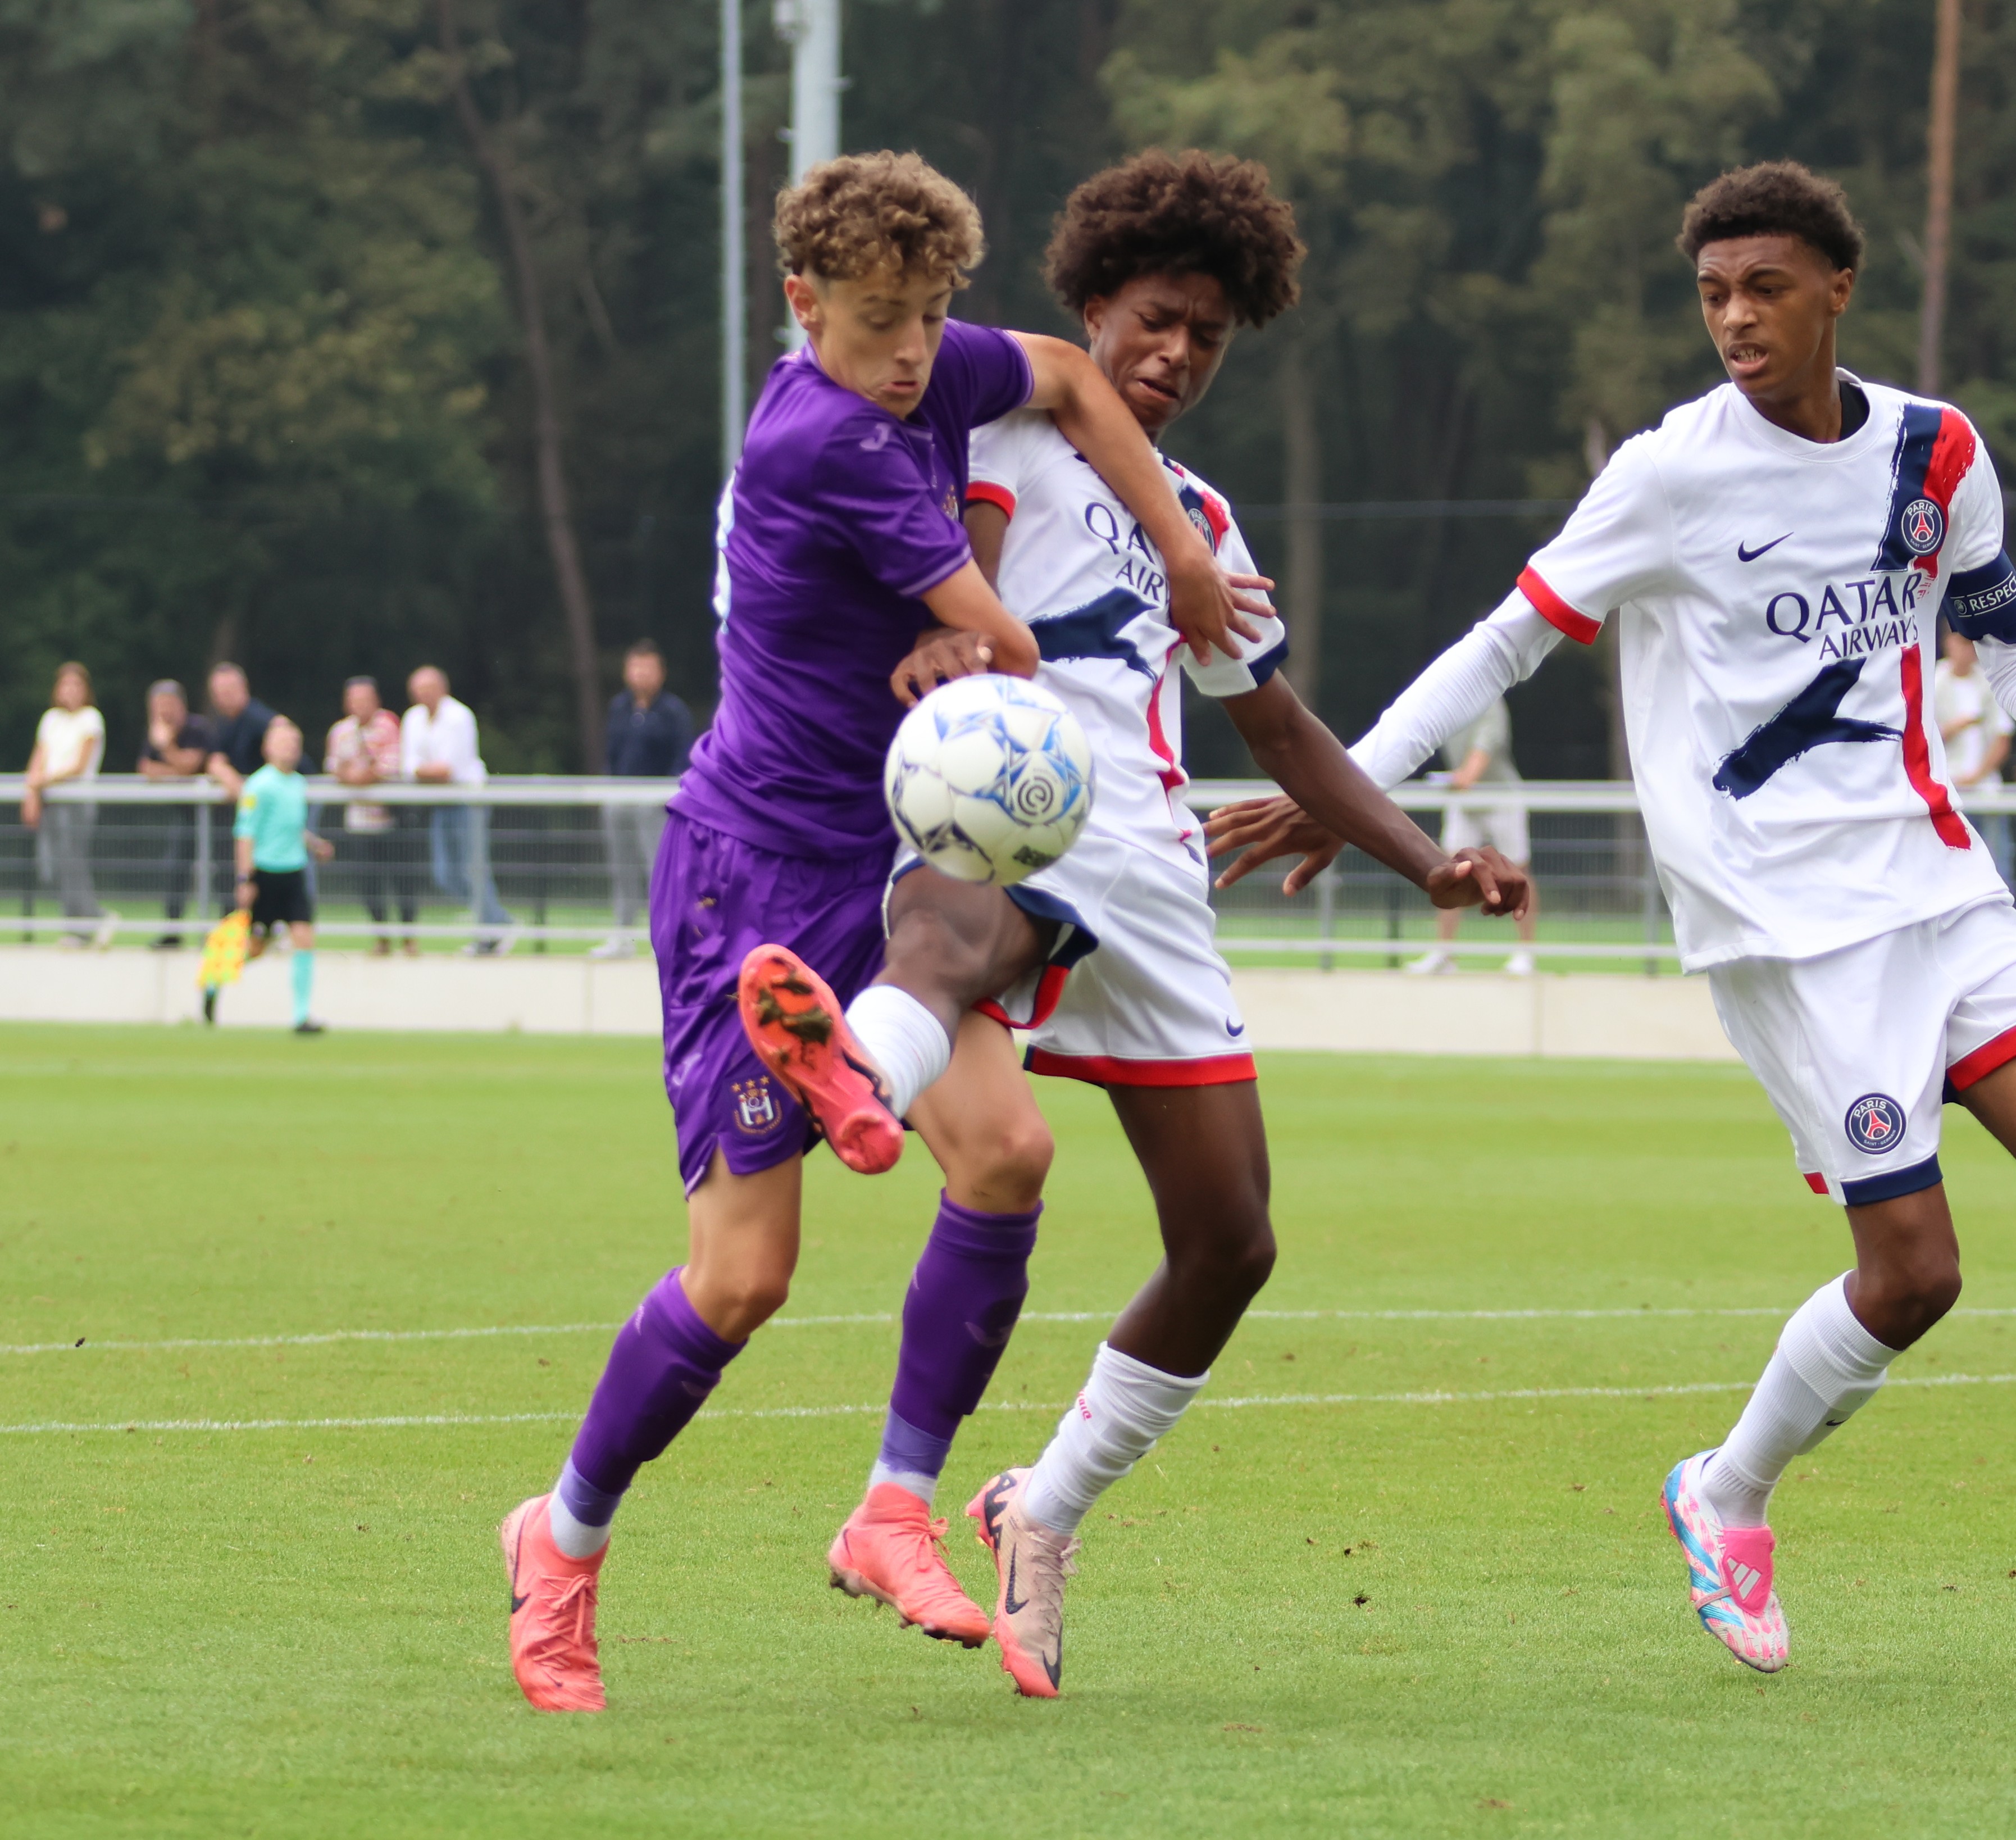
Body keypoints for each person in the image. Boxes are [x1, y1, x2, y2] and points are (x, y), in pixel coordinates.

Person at [1209, 161, 2016, 1674]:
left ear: (1837, 288)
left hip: (1936, 878)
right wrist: (1341, 787)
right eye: (1713, 292)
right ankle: (1723, 1492)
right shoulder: (1669, 473)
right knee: (1914, 1276)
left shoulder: (1936, 449)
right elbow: (1501, 647)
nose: (1734, 318)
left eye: (1764, 287)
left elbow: (2006, 635)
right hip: (1784, 924)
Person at [743, 150, 1526, 1701]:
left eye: (1207, 338)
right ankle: (854, 1071)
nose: (1173, 355)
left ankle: (1042, 1505)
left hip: (1156, 874)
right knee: (964, 935)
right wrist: (927, 641)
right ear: (1092, 307)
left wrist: (1428, 862)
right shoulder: (1002, 432)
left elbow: (1286, 737)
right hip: (1002, 797)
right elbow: (924, 558)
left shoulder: (1210, 524)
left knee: (1231, 1240)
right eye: (1155, 320)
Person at [498, 148, 1269, 1715]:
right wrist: (967, 632)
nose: (915, 358)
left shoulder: (924, 368)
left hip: (885, 849)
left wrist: (1183, 547)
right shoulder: (819, 440)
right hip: (754, 876)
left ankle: (893, 1509)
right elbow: (1002, 637)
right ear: (802, 305)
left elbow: (1059, 371)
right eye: (877, 322)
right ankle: (560, 1541)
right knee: (744, 1278)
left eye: (928, 320)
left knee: (1006, 1155)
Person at [1405, 694, 1540, 975]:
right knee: (1449, 871)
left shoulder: (1490, 702)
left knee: (1519, 871)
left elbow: (1484, 750)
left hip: (1501, 798)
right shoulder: (1447, 704)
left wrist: (1466, 776)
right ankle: (1444, 956)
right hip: (1465, 803)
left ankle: (1526, 955)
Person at [222, 715, 333, 1033]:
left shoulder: (298, 784)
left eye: (295, 744)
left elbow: (292, 828)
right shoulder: (258, 785)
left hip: (293, 872)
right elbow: (246, 833)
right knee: (256, 947)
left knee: (304, 938)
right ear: (269, 748)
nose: (290, 749)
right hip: (265, 873)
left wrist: (314, 845)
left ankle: (301, 1015)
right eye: (283, 743)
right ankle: (217, 978)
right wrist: (246, 879)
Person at [403, 665, 515, 953]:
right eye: (418, 688)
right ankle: (498, 922)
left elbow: (447, 770)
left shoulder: (459, 716)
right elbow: (409, 765)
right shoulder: (413, 718)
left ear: (443, 688)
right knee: (445, 874)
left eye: (428, 687)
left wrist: (420, 770)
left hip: (468, 800)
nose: (423, 694)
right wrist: (423, 770)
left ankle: (488, 933)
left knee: (475, 870)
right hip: (441, 802)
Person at [596, 640, 696, 957]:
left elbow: (683, 758)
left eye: (647, 668)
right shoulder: (619, 708)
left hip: (654, 805)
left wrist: (663, 796)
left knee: (658, 871)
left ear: (661, 673)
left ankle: (664, 939)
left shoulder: (673, 712)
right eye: (636, 667)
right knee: (621, 870)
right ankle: (623, 936)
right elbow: (612, 753)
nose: (641, 674)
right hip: (619, 800)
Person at [21, 661, 111, 948]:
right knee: (56, 865)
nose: (70, 691)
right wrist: (31, 793)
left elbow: (78, 765)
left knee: (73, 863)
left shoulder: (91, 719)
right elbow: (39, 759)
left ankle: (91, 920)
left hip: (76, 800)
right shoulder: (51, 720)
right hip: (52, 801)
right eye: (65, 685)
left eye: (76, 686)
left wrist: (43, 781)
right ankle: (80, 923)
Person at [325, 677, 414, 956]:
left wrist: (359, 774)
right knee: (367, 881)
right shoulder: (340, 731)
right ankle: (382, 936)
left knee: (402, 879)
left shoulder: (388, 725)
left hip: (390, 820)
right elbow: (334, 767)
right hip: (359, 820)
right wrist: (358, 774)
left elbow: (389, 765)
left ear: (376, 701)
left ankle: (410, 937)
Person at [138, 680, 217, 947]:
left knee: (221, 873)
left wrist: (166, 749)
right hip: (185, 816)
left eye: (167, 705)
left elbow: (192, 764)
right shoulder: (156, 733)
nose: (163, 712)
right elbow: (147, 769)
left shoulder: (198, 729)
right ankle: (173, 930)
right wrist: (177, 769)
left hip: (215, 816)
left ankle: (223, 933)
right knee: (175, 870)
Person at [1935, 628, 2014, 882]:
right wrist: (1956, 726)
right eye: (1961, 643)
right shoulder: (1933, 680)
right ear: (1948, 643)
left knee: (1997, 869)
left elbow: (2002, 737)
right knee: (1950, 871)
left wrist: (1978, 776)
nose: (1967, 651)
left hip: (1986, 792)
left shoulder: (1989, 682)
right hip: (1947, 795)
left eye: (1972, 644)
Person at [201, 662, 276, 917]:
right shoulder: (223, 725)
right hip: (249, 813)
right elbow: (215, 762)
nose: (223, 698)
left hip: (274, 809)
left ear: (243, 688)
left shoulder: (260, 719)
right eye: (219, 693)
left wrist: (247, 794)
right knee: (231, 869)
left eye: (229, 691)